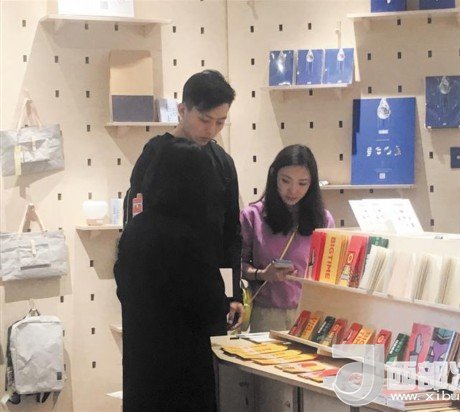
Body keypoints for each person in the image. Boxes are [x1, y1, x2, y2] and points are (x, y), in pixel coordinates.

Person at [114, 138, 232, 411]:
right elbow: (210, 304)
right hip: (184, 370)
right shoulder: (192, 236)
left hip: (142, 363)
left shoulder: (135, 230)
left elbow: (123, 289)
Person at [123, 70, 243, 332]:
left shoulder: (222, 163)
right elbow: (136, 225)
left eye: (220, 122)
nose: (211, 130)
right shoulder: (155, 154)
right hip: (157, 294)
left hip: (207, 294)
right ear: (182, 110)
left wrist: (233, 293)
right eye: (204, 119)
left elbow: (230, 233)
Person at [240, 144, 335, 333]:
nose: (293, 190)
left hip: (311, 314)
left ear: (312, 184)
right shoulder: (252, 216)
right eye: (285, 180)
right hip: (266, 314)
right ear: (274, 176)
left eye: (302, 183)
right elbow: (235, 265)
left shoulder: (323, 220)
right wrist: (262, 274)